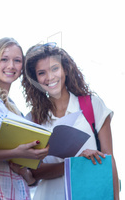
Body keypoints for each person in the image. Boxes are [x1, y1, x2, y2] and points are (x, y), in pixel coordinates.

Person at [21, 42, 120, 200]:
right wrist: (74, 164)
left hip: (90, 194)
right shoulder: (32, 119)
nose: (50, 77)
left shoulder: (92, 105)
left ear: (65, 69)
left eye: (55, 68)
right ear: (35, 79)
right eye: (42, 73)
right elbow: (33, 173)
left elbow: (109, 160)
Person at [0, 37, 49, 200]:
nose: (11, 66)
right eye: (4, 59)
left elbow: (30, 179)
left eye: (17, 60)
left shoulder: (16, 111)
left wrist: (26, 166)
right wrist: (15, 152)